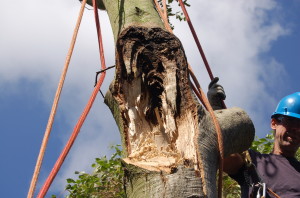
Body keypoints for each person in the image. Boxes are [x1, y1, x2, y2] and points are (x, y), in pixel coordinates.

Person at [207, 78, 300, 198]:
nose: (296, 129)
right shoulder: (253, 161)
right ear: (274, 123)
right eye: (291, 121)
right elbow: (223, 152)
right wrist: (217, 111)